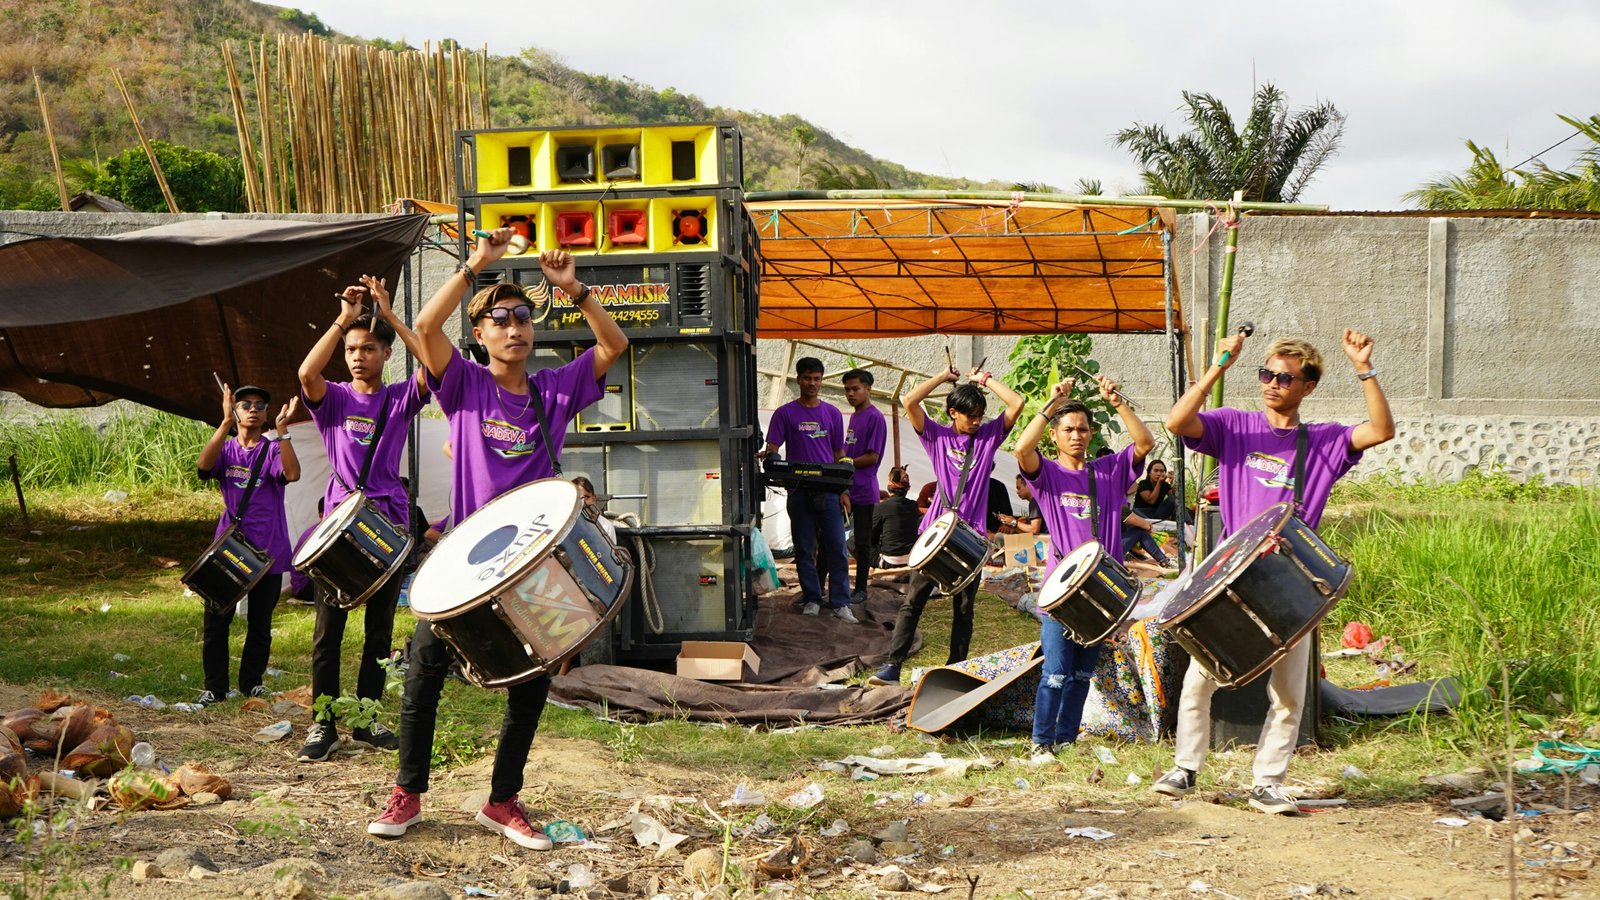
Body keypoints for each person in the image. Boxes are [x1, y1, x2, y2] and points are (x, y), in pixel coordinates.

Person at [367, 231, 627, 849]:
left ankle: (502, 801)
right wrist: (473, 268)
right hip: (464, 558)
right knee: (423, 672)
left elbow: (613, 343)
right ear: (479, 334)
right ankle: (407, 794)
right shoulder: (462, 385)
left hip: (532, 566)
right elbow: (428, 326)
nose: (514, 328)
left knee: (530, 685)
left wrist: (576, 291)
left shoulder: (554, 390)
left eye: (523, 317)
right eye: (498, 319)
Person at [1153, 330, 1394, 815]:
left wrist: (1364, 369)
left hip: (1291, 583)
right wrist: (1219, 365)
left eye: (1285, 378)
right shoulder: (1234, 426)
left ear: (1307, 387)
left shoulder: (1323, 441)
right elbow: (1177, 423)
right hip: (1231, 577)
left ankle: (1267, 782)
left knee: (1288, 693)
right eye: (1266, 374)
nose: (1272, 383)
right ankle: (1185, 768)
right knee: (1202, 678)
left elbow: (1381, 430)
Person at [295, 275, 431, 762]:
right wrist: (343, 320)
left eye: (369, 348)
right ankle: (323, 724)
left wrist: (391, 315)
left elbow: (434, 364)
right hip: (339, 521)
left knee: (378, 630)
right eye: (352, 348)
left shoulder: (398, 398)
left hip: (389, 521)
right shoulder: (332, 398)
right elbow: (306, 374)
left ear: (385, 354)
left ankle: (368, 718)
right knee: (328, 630)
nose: (357, 355)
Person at [1016, 375, 1154, 753]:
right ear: (1055, 436)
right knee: (1055, 674)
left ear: (1091, 434)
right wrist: (1052, 402)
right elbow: (1021, 448)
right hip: (1060, 592)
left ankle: (1066, 740)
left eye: (1082, 429)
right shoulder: (1046, 475)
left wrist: (1116, 402)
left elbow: (1145, 443)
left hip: (1103, 593)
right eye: (1068, 429)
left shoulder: (1108, 472)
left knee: (1081, 675)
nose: (1076, 435)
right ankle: (1041, 743)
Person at [868, 362, 1025, 684]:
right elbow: (909, 401)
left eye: (981, 415)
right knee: (913, 602)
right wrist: (942, 377)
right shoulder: (936, 436)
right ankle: (893, 667)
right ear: (953, 412)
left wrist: (985, 380)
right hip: (935, 534)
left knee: (964, 609)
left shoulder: (987, 438)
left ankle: (955, 668)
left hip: (973, 538)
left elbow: (1017, 404)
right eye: (971, 416)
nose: (977, 421)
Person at [195, 383, 300, 705]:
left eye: (259, 405)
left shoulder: (271, 450)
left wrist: (282, 433)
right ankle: (215, 687)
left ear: (267, 413)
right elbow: (202, 468)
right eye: (245, 405)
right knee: (217, 620)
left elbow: (293, 474)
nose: (253, 409)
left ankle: (251, 682)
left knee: (260, 623)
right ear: (236, 410)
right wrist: (225, 422)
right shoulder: (226, 451)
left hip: (268, 549)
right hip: (229, 548)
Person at [761, 357, 856, 622]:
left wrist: (844, 491)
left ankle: (840, 603)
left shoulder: (833, 414)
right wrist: (769, 456)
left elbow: (840, 454)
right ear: (798, 379)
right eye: (807, 378)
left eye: (816, 379)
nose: (812, 383)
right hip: (798, 493)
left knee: (837, 547)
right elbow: (773, 448)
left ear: (822, 380)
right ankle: (812, 599)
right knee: (803, 548)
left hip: (828, 493)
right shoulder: (784, 414)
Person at [841, 368, 886, 605]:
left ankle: (861, 589)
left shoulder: (875, 417)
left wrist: (846, 462)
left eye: (855, 388)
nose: (851, 393)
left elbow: (872, 457)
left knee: (863, 542)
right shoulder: (854, 416)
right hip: (846, 487)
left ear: (868, 389)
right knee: (834, 539)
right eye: (847, 389)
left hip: (865, 490)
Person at [871, 466, 921, 567]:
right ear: (907, 489)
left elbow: (871, 537)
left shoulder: (881, 507)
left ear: (889, 484)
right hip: (911, 559)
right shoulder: (913, 505)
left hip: (890, 562)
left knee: (853, 541)